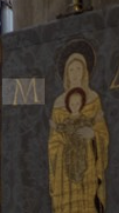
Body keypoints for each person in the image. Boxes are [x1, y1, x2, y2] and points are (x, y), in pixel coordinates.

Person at [48, 49, 109, 212]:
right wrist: (64, 144)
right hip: (64, 166)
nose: (75, 74)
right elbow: (53, 141)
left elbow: (102, 132)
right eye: (71, 70)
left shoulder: (94, 98)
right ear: (66, 74)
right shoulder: (58, 103)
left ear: (85, 72)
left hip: (88, 161)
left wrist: (93, 135)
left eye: (78, 69)